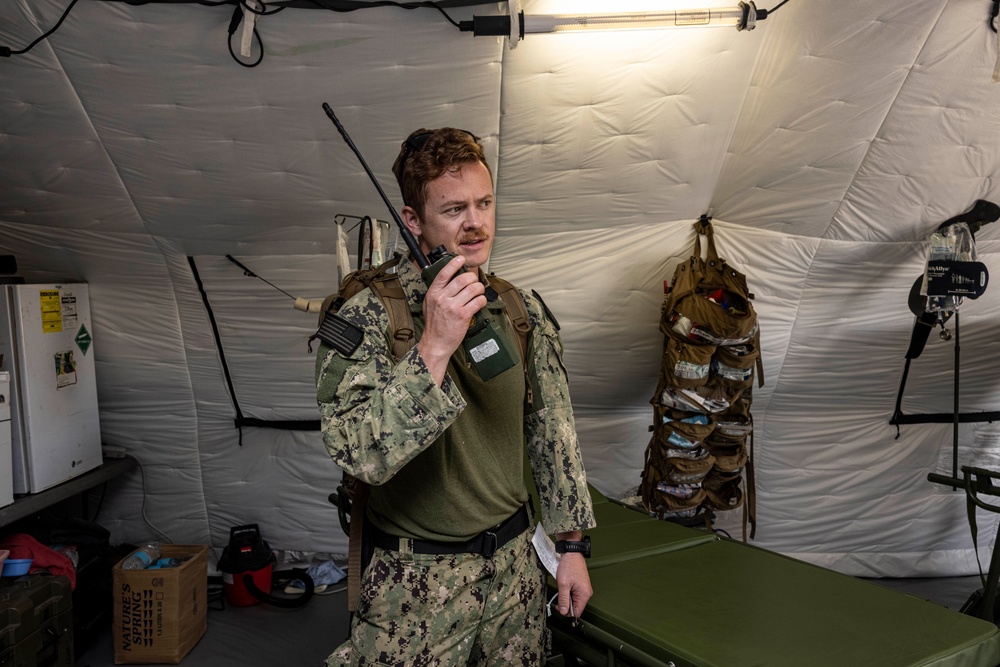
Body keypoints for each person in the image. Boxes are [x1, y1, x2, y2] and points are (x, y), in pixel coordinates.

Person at [316, 127, 595, 666]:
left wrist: (572, 547)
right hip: (415, 590)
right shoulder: (367, 318)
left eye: (484, 203)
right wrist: (434, 346)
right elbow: (360, 455)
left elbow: (552, 433)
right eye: (454, 209)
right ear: (413, 220)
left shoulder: (519, 310)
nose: (476, 223)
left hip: (514, 578)